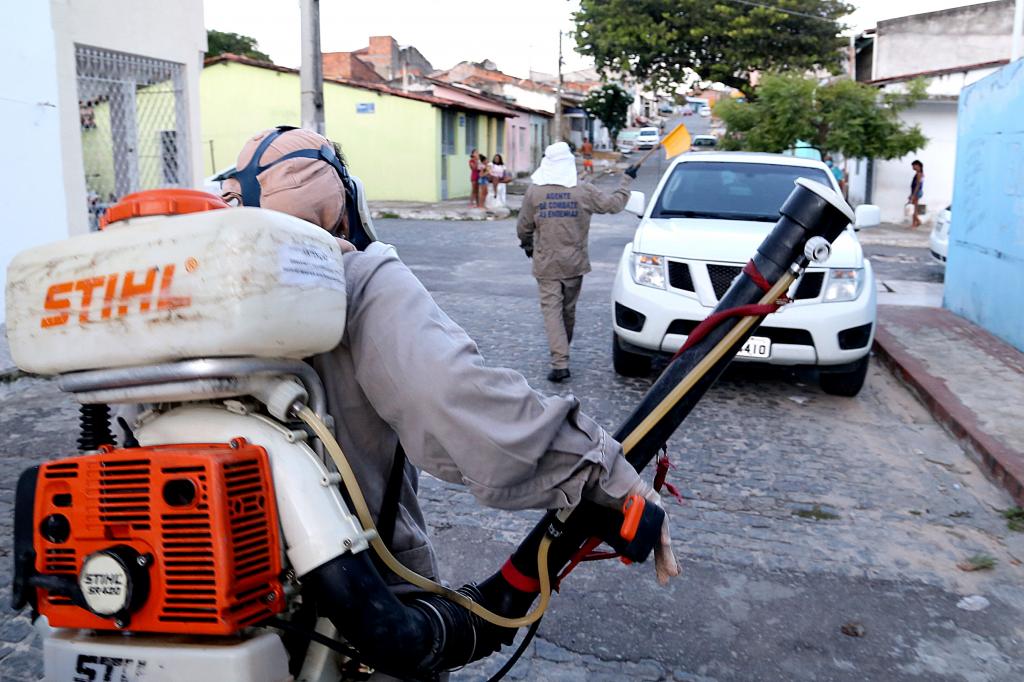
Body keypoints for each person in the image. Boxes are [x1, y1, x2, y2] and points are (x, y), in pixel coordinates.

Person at [220, 129, 679, 661]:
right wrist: (603, 473)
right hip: (357, 602)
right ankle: (560, 357)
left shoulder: (177, 294)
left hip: (199, 594)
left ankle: (559, 354)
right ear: (343, 200)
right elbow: (455, 404)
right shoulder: (356, 280)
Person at [517, 141, 638, 383]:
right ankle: (562, 354)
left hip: (546, 264)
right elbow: (614, 205)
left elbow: (523, 226)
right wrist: (626, 180)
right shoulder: (584, 191)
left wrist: (527, 244)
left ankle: (560, 361)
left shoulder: (535, 192)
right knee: (568, 311)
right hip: (574, 264)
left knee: (552, 312)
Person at [909, 159, 925, 229]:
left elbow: (918, 185)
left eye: (913, 166)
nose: (913, 167)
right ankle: (914, 223)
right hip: (916, 192)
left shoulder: (919, 174)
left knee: (914, 209)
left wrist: (913, 195)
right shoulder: (920, 173)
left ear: (918, 165)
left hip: (916, 192)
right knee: (914, 208)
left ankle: (917, 222)